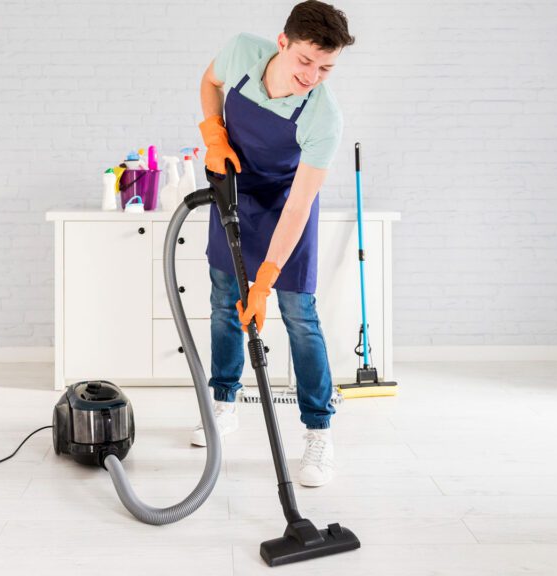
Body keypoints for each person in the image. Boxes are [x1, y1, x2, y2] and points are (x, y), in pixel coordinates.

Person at [192, 0, 354, 487]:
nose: (313, 75)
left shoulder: (324, 116)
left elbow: (301, 203)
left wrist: (266, 277)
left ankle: (319, 433)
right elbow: (210, 82)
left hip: (287, 205)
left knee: (299, 315)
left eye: (326, 67)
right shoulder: (243, 51)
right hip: (236, 190)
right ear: (282, 43)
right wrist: (214, 135)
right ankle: (223, 404)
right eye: (306, 60)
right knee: (224, 301)